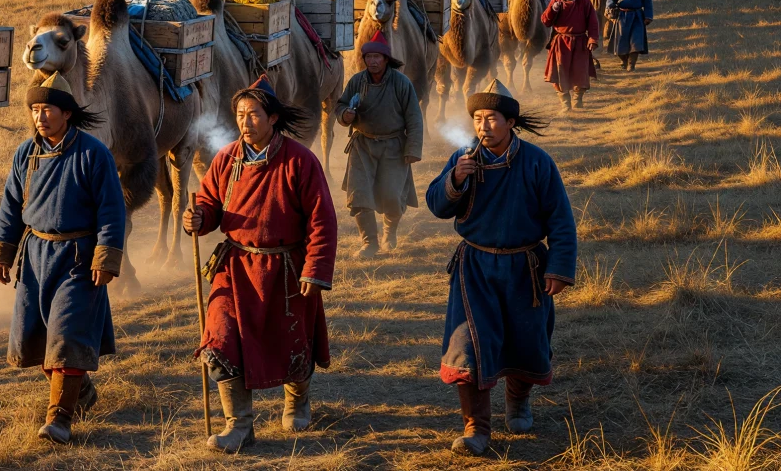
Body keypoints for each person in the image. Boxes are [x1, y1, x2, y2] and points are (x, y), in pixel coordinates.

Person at [183, 76, 338, 454]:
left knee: (291, 339)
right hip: (235, 266)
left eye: (253, 114)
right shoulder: (226, 159)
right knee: (220, 340)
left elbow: (322, 220)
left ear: (272, 118)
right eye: (239, 114)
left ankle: (296, 400)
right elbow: (209, 203)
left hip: (286, 269)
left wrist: (315, 269)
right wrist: (199, 218)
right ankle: (238, 425)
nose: (245, 121)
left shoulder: (300, 161)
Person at [426, 80, 575, 456]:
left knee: (525, 340)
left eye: (491, 118)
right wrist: (455, 178)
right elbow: (437, 205)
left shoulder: (538, 162)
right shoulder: (464, 158)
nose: (482, 126)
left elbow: (560, 219)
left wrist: (557, 268)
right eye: (477, 119)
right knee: (467, 346)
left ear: (510, 122)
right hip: (474, 267)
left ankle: (518, 400)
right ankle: (476, 427)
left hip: (525, 267)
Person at [0, 72, 126, 444]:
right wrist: (4, 250)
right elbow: (12, 206)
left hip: (78, 258)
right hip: (35, 257)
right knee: (35, 338)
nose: (40, 116)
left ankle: (60, 419)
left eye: (46, 109)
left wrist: (106, 257)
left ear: (66, 113)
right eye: (35, 109)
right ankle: (80, 392)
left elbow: (112, 209)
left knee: (66, 336)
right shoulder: (25, 153)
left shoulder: (93, 153)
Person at [334, 31, 424, 258]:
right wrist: (346, 115)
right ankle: (369, 243)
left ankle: (389, 231)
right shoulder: (357, 81)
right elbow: (341, 105)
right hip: (362, 145)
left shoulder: (401, 83)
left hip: (394, 145)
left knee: (392, 195)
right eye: (368, 57)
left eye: (377, 57)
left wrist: (412, 149)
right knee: (359, 195)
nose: (373, 61)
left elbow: (414, 117)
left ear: (386, 59)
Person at [542, 0, 600, 110]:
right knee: (559, 70)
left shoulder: (584, 1)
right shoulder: (556, 1)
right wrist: (552, 10)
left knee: (580, 71)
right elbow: (545, 21)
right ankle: (565, 102)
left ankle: (577, 99)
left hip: (580, 41)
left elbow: (593, 22)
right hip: (560, 42)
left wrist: (592, 39)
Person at [604, 0, 653, 71]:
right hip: (621, 16)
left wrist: (648, 16)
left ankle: (631, 64)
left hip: (637, 16)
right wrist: (609, 9)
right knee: (620, 41)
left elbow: (647, 1)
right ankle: (624, 60)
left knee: (636, 41)